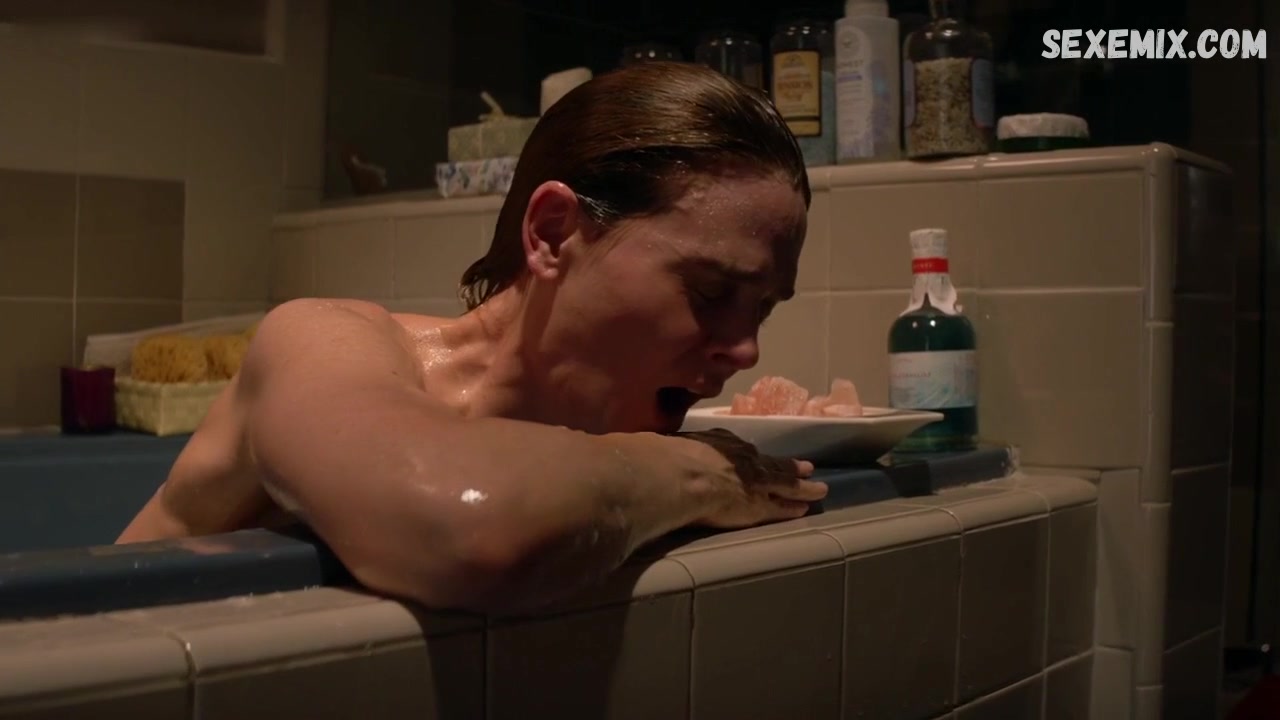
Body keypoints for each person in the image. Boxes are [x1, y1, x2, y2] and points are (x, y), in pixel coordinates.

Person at [116, 61, 829, 614]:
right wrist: (703, 473)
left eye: (763, 310)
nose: (746, 351)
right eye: (710, 292)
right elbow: (470, 531)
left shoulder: (605, 441)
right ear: (553, 234)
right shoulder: (322, 339)